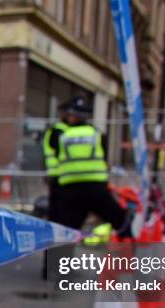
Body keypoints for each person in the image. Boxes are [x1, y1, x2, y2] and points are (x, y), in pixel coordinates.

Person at [51, 96, 133, 235]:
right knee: (120, 221)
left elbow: (57, 155)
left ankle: (59, 256)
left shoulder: (62, 135)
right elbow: (104, 156)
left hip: (70, 188)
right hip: (96, 187)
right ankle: (132, 248)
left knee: (66, 232)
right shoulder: (96, 134)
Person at [40, 105, 69, 279]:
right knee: (58, 228)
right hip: (59, 185)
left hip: (66, 185)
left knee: (66, 229)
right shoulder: (58, 132)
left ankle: (59, 268)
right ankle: (52, 269)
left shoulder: (67, 131)